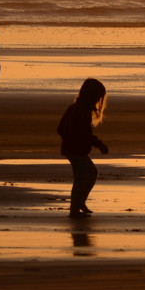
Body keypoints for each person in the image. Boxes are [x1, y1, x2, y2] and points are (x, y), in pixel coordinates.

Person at [57, 78, 109, 219]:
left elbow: (60, 129)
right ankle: (75, 208)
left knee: (84, 175)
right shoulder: (82, 110)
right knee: (87, 175)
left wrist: (68, 139)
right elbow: (85, 133)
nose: (99, 100)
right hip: (76, 150)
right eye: (98, 96)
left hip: (71, 149)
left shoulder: (74, 107)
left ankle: (79, 204)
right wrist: (99, 144)